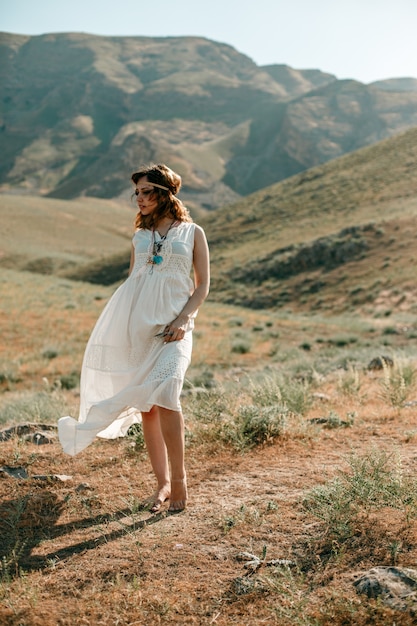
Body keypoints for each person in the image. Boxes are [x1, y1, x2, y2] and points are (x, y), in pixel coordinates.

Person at [58, 163, 210, 513]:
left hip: (175, 328)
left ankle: (181, 480)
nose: (139, 199)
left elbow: (202, 285)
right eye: (137, 193)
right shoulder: (140, 237)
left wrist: (184, 319)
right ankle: (162, 485)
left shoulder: (192, 233)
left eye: (146, 192)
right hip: (138, 328)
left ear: (164, 193)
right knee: (149, 408)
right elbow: (132, 284)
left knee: (169, 393)